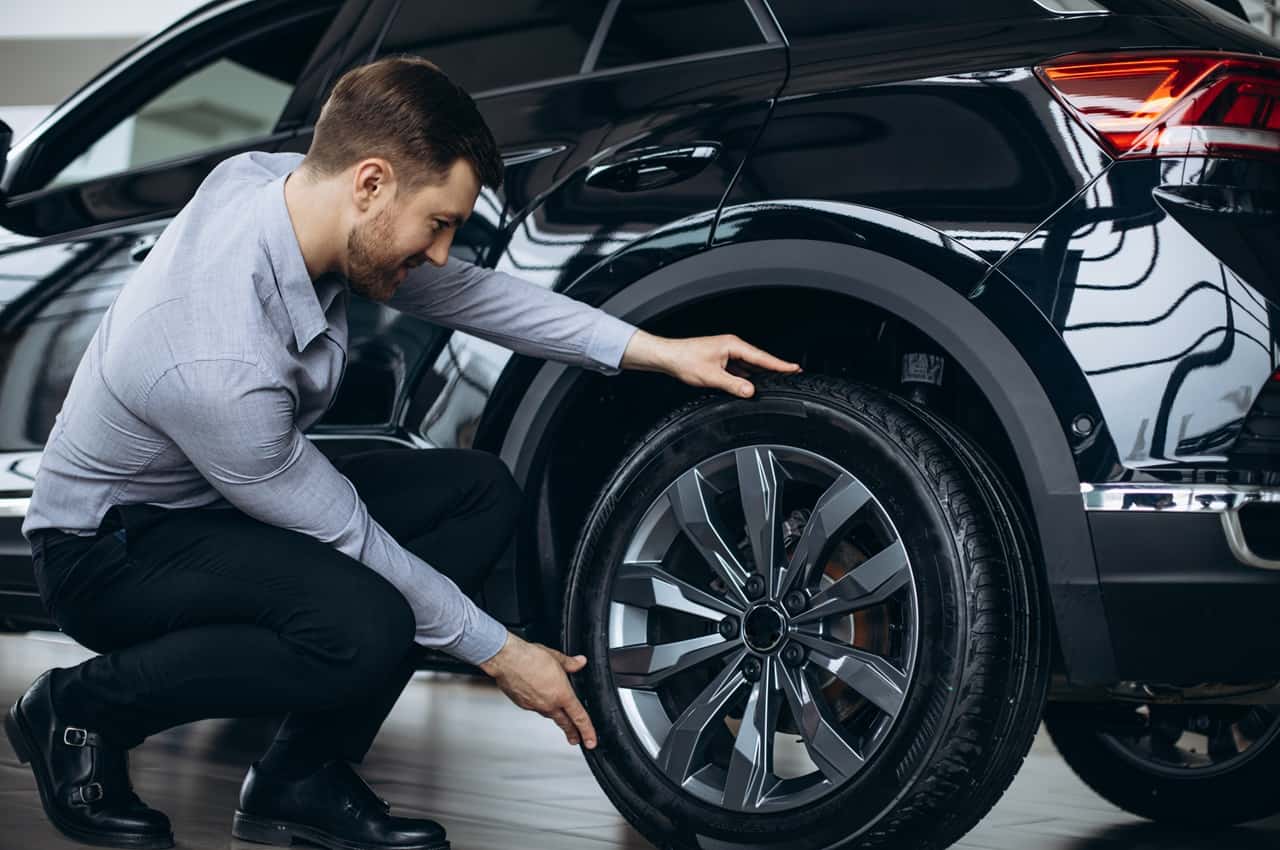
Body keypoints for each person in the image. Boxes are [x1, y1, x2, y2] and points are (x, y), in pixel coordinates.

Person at [3, 56, 801, 850]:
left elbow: (467, 295)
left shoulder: (284, 186)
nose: (443, 251)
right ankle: (80, 710)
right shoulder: (214, 361)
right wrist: (505, 654)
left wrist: (657, 350)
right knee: (365, 625)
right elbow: (350, 537)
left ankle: (300, 777)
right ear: (372, 183)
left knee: (476, 493)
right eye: (441, 224)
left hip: (216, 502)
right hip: (106, 549)